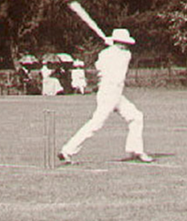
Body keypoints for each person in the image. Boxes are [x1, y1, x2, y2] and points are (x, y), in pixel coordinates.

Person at [59, 29, 153, 164]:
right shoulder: (122, 54)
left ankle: (136, 150)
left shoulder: (108, 54)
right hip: (109, 93)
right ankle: (67, 150)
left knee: (136, 117)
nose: (127, 46)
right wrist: (112, 48)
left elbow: (100, 63)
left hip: (115, 93)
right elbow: (111, 59)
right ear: (119, 42)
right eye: (124, 43)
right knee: (96, 124)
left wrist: (111, 47)